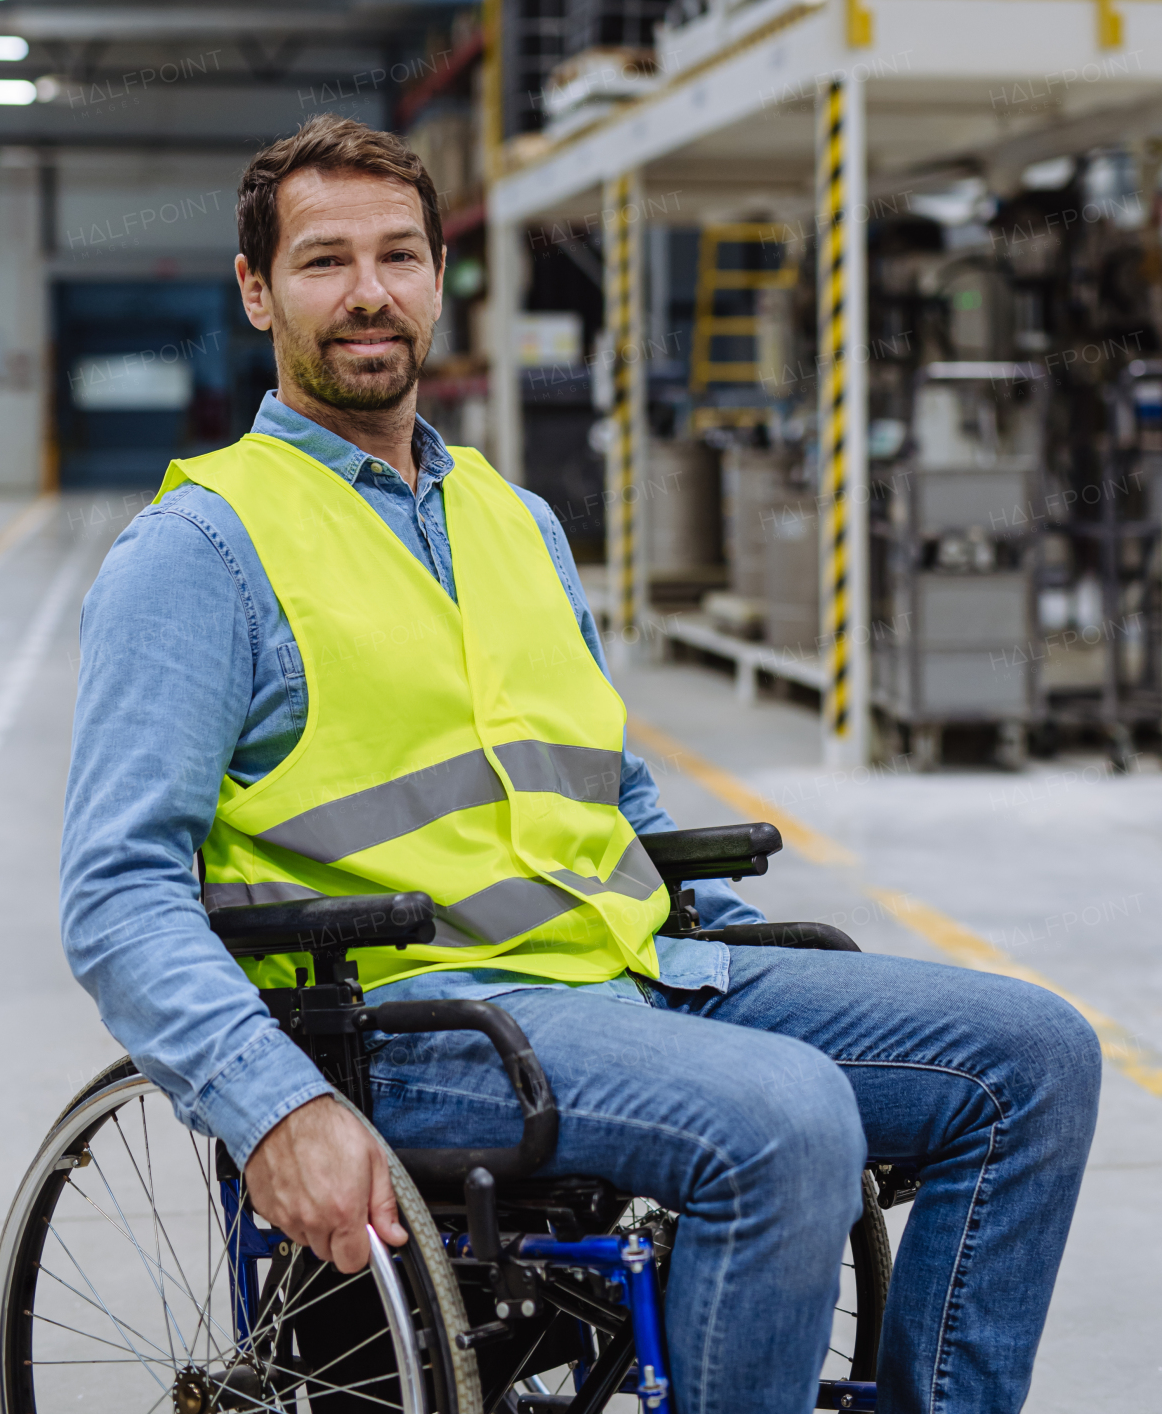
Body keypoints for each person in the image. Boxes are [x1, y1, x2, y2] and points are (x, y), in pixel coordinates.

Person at [61, 115, 1100, 1414]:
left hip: (633, 971)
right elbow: (117, 894)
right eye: (325, 262)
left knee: (1037, 1057)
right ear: (258, 290)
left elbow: (613, 787)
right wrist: (271, 1107)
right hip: (420, 1019)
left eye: (400, 256)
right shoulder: (202, 549)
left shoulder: (518, 519)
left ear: (442, 277)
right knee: (787, 1119)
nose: (370, 293)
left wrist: (730, 941)